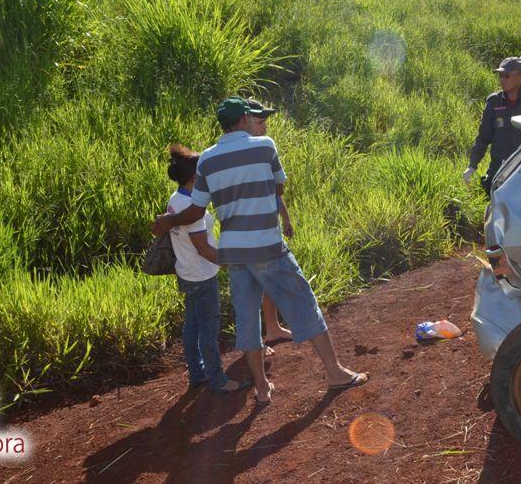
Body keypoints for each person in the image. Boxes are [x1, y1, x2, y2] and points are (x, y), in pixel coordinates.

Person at [151, 98, 368, 405]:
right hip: (267, 245)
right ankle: (335, 373)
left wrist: (168, 221)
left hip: (234, 251)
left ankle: (263, 389)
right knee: (304, 304)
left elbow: (197, 210)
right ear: (243, 118)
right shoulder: (264, 146)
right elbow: (279, 189)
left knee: (247, 318)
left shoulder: (209, 159)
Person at [164, 144, 252, 395]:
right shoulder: (191, 206)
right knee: (209, 330)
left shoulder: (176, 198)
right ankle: (218, 380)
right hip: (202, 274)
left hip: (187, 272)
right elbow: (204, 248)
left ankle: (198, 374)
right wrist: (232, 261)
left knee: (191, 328)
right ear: (195, 178)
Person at [244, 99, 294, 342]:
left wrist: (286, 219)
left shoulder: (262, 148)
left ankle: (272, 328)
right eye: (260, 122)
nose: (265, 127)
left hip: (266, 228)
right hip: (252, 233)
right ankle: (256, 341)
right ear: (244, 121)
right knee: (252, 288)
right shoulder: (246, 152)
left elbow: (275, 190)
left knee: (267, 283)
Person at [464, 58, 521, 194]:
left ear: (520, 76)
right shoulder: (494, 102)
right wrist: (472, 165)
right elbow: (483, 137)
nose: (502, 80)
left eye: (507, 76)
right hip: (500, 171)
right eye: (500, 76)